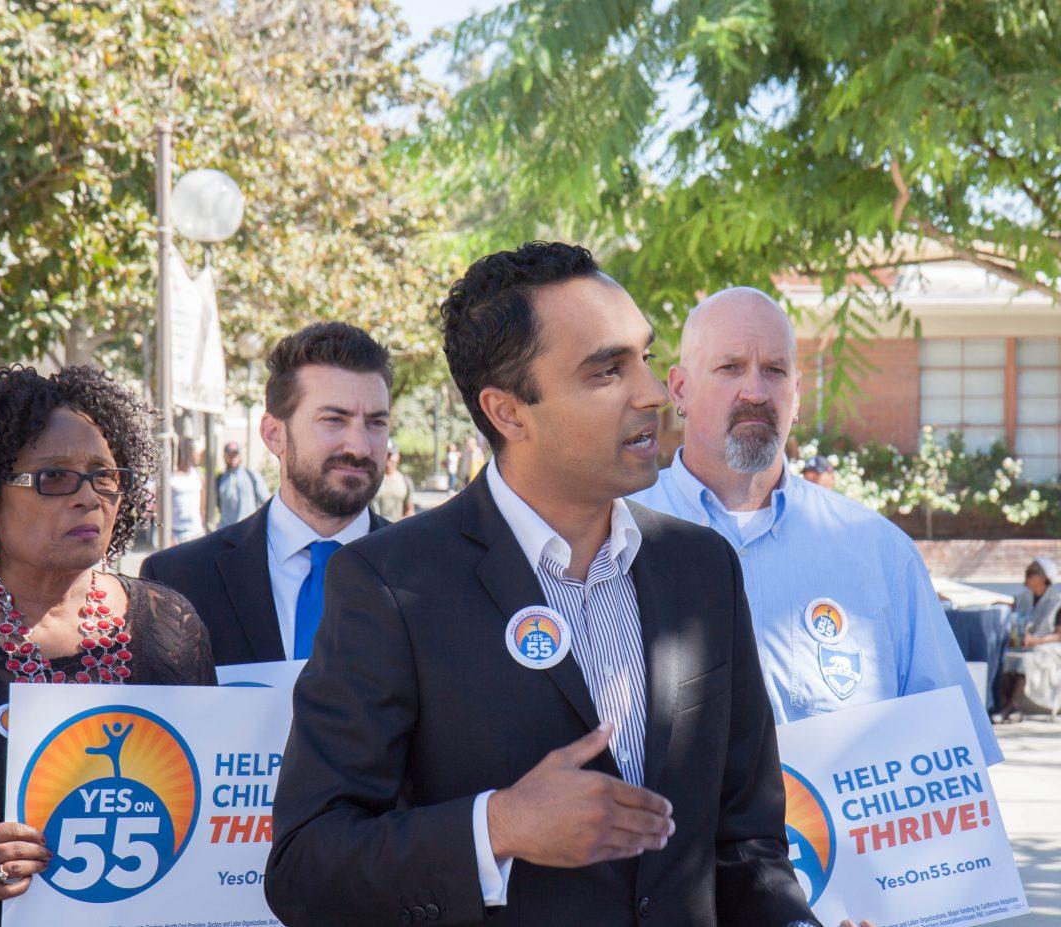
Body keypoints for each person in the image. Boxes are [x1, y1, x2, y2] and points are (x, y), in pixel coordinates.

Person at [265, 243, 814, 927]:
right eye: (606, 370)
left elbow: (746, 841)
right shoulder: (390, 584)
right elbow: (305, 869)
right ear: (508, 411)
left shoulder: (702, 569)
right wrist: (496, 827)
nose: (650, 393)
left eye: (643, 356)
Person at [0, 366, 216, 927]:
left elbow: (208, 808)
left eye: (104, 476)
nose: (88, 498)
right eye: (53, 477)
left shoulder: (173, 627)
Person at [630, 287, 1000, 767]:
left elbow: (954, 758)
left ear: (797, 395)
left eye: (775, 371)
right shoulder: (610, 535)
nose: (756, 392)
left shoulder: (879, 553)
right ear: (679, 389)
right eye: (730, 368)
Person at [141, 323, 391, 665]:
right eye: (334, 420)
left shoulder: (435, 575)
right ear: (274, 434)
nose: (360, 446)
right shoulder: (177, 581)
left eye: (376, 423)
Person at [996, 558, 1061, 722]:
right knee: (1003, 658)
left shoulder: (1057, 601)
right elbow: (1011, 611)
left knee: (1026, 660)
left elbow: (1059, 634)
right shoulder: (1022, 598)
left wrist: (1036, 641)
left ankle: (1011, 705)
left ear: (1044, 577)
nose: (1027, 576)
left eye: (1031, 573)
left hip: (1048, 646)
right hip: (1022, 644)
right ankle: (1012, 707)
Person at [215, 440, 269, 528]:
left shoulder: (251, 476)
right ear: (224, 456)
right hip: (225, 532)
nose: (232, 457)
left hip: (248, 531)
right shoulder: (219, 479)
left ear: (240, 456)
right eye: (229, 455)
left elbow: (266, 501)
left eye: (235, 454)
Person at [168, 437, 204, 544]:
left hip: (196, 531)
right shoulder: (170, 478)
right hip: (176, 532)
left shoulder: (198, 475)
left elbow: (203, 504)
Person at [373, 440, 416, 522]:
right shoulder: (371, 480)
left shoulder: (405, 481)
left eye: (390, 455)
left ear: (397, 456)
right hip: (374, 532)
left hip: (396, 531)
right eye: (384, 454)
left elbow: (409, 510)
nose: (387, 458)